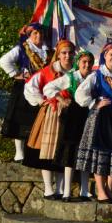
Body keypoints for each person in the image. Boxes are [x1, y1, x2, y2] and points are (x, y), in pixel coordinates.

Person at [75, 42, 112, 203]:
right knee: (101, 154)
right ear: (105, 55)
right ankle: (100, 191)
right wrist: (94, 103)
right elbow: (80, 94)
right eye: (111, 54)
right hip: (102, 118)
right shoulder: (96, 75)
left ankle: (109, 190)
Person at [23, 39, 75, 199]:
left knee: (63, 151)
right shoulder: (48, 71)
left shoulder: (76, 71)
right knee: (47, 152)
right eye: (64, 53)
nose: (67, 56)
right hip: (52, 113)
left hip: (71, 114)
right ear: (58, 55)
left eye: (70, 53)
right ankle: (48, 189)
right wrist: (41, 100)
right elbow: (30, 86)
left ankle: (60, 189)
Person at [43, 49, 95, 202]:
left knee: (86, 151)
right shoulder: (71, 77)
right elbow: (48, 88)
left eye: (90, 62)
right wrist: (61, 99)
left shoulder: (93, 77)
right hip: (72, 115)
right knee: (70, 151)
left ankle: (84, 190)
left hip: (88, 114)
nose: (87, 65)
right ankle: (66, 192)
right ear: (78, 63)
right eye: (84, 62)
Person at [0, 22, 50, 162]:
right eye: (35, 33)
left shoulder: (48, 50)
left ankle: (32, 150)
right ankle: (19, 152)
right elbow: (4, 61)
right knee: (21, 119)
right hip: (24, 87)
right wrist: (16, 74)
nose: (38, 36)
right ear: (29, 35)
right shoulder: (23, 48)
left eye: (40, 33)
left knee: (35, 120)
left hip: (41, 88)